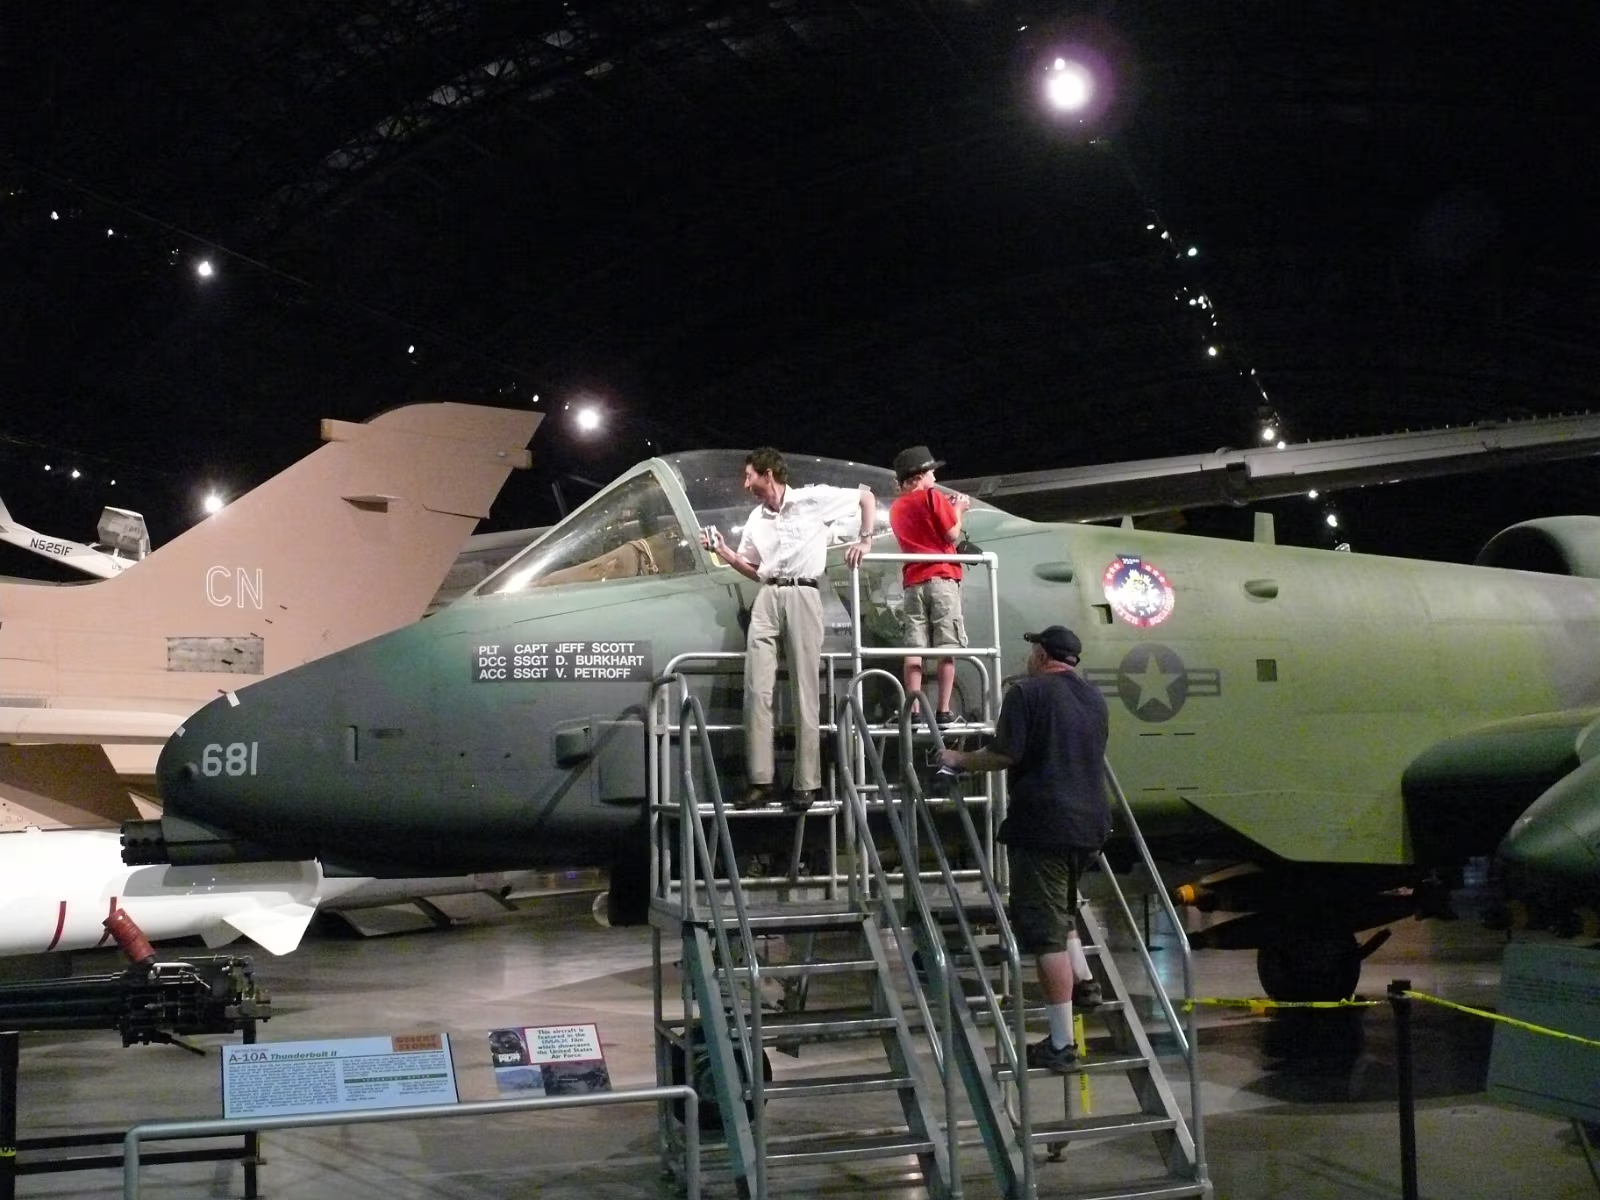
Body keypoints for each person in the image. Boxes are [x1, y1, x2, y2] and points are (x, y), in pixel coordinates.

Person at [938, 625, 1110, 1074]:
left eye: (1032, 649)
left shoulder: (1026, 693)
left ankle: (1061, 1044)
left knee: (1045, 934)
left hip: (1043, 825)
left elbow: (1004, 754)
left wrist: (958, 759)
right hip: (1091, 824)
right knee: (1063, 906)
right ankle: (1085, 982)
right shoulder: (1094, 698)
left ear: (1042, 654)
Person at [705, 448, 876, 813]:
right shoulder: (756, 518)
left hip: (803, 592)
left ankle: (806, 782)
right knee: (757, 688)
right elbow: (753, 568)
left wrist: (865, 539)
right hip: (768, 594)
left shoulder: (812, 500)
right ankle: (761, 780)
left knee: (804, 689)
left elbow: (866, 497)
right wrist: (725, 552)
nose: (746, 483)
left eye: (750, 476)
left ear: (768, 474)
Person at [887, 445, 971, 726]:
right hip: (942, 577)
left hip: (913, 581)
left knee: (915, 647)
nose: (935, 476)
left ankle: (912, 710)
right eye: (931, 471)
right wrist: (958, 509)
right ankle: (943, 710)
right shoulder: (933, 497)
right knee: (946, 645)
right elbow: (952, 534)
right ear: (919, 476)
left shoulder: (897, 507)